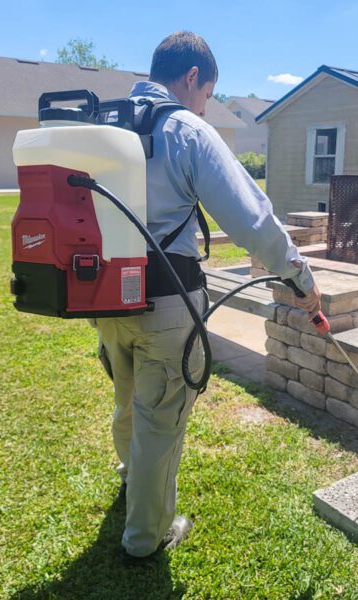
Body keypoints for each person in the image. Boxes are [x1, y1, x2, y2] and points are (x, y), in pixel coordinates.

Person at [93, 31, 321, 563]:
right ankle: (145, 538)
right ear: (192, 77)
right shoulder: (185, 129)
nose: (205, 104)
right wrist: (302, 279)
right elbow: (253, 220)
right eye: (208, 93)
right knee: (161, 418)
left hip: (104, 295)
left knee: (127, 396)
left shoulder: (104, 124)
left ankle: (131, 479)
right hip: (168, 301)